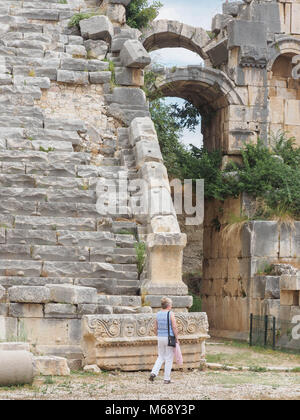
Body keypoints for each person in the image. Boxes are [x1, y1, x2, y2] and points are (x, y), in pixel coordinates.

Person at [149, 297, 179, 384]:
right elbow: (174, 326)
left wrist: (158, 335)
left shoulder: (158, 314)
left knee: (161, 356)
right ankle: (167, 379)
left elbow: (155, 327)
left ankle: (154, 372)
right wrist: (176, 337)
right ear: (169, 305)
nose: (172, 306)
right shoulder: (170, 314)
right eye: (171, 304)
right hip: (169, 337)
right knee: (169, 358)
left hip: (160, 337)